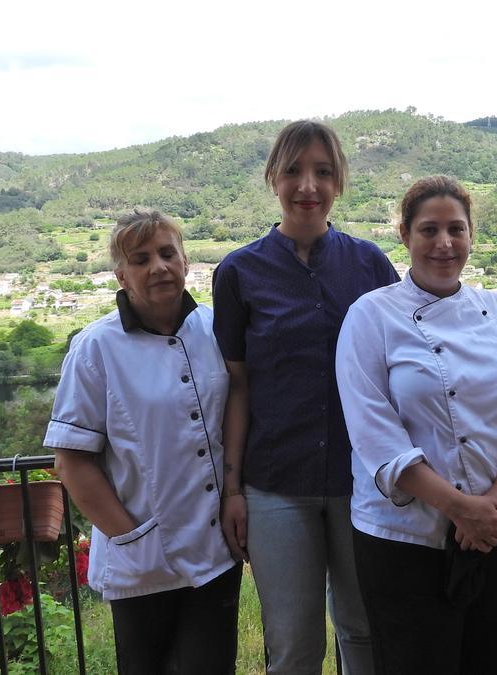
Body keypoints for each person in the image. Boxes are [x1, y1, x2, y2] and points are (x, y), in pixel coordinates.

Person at [335, 175, 497, 674]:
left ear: (472, 234)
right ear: (405, 235)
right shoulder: (370, 316)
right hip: (406, 541)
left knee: (491, 661)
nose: (444, 243)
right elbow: (375, 434)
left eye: (456, 229)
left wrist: (493, 504)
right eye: (429, 230)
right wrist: (461, 509)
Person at [212, 120, 397, 675]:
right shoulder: (240, 272)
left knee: (364, 632)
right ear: (273, 178)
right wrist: (232, 488)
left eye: (321, 171)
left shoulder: (369, 265)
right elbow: (237, 388)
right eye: (293, 170)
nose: (307, 185)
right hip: (275, 486)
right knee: (293, 646)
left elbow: (396, 375)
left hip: (361, 481)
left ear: (338, 181)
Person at [45, 209, 240, 674]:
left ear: (185, 261)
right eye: (141, 258)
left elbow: (236, 413)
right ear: (121, 274)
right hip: (141, 559)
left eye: (167, 253)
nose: (158, 266)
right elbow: (72, 460)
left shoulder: (215, 330)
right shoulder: (96, 348)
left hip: (216, 549)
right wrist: (130, 536)